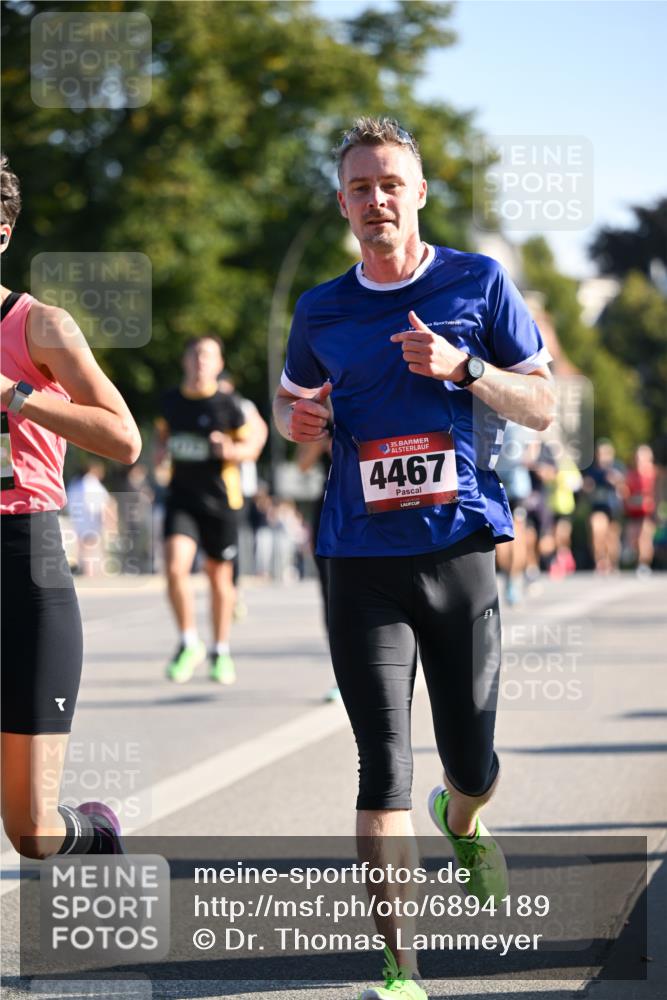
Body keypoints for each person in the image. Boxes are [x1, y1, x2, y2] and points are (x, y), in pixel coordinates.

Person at [273, 118, 555, 998]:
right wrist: (304, 425)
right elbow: (292, 410)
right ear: (342, 204)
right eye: (359, 188)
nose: (376, 200)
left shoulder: (478, 282)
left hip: (459, 550)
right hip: (359, 557)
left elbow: (540, 404)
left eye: (390, 183)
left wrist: (465, 367)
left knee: (470, 761)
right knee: (380, 762)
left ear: (419, 193)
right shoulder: (320, 308)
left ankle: (462, 823)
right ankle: (399, 968)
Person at [0, 153, 141, 860]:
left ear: (2, 232)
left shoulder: (41, 327)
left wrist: (17, 397)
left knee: (30, 833)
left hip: (23, 565)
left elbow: (124, 439)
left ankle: (94, 832)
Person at [155, 335, 254, 685]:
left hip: (221, 502)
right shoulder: (170, 401)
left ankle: (221, 650)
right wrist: (160, 455)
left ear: (219, 363)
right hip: (182, 497)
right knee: (174, 567)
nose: (200, 361)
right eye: (195, 354)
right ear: (185, 360)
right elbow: (163, 438)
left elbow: (253, 441)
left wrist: (229, 448)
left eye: (208, 356)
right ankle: (188, 642)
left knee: (218, 577)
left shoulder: (229, 404)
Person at [66, 458, 117, 576]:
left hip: (78, 520)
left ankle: (86, 571)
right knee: (92, 550)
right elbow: (101, 504)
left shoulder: (76, 483)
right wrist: (110, 522)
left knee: (84, 549)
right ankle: (91, 573)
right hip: (91, 520)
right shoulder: (92, 484)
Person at [622, 444, 656, 575]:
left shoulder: (654, 474)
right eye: (637, 458)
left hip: (649, 512)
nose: (639, 461)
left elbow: (657, 493)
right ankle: (634, 555)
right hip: (633, 512)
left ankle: (644, 563)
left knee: (644, 537)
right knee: (633, 537)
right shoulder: (630, 474)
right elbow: (626, 493)